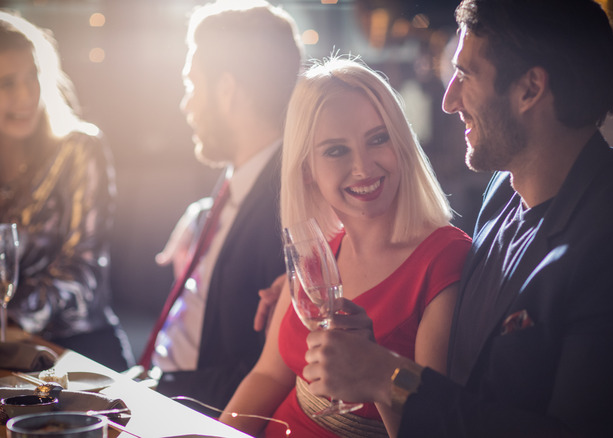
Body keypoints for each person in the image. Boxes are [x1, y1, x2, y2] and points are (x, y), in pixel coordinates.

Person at [300, 1, 613, 437]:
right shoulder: (504, 188)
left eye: (466, 75)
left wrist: (388, 378)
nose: (448, 100)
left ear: (530, 88)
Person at [220, 57, 472, 437]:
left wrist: (376, 371)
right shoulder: (317, 253)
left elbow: (436, 426)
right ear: (306, 170)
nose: (363, 167)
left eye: (378, 138)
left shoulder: (445, 260)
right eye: (336, 150)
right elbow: (268, 376)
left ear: (401, 142)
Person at [144, 0, 302, 412]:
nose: (186, 104)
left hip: (185, 402)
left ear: (228, 90)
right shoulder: (242, 180)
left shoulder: (285, 208)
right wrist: (202, 214)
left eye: (192, 85)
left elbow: (257, 369)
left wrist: (151, 393)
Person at [0, 11, 133, 371]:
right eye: (7, 83)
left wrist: (10, 319)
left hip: (81, 352)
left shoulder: (80, 147)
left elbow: (84, 269)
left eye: (33, 76)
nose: (27, 94)